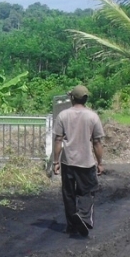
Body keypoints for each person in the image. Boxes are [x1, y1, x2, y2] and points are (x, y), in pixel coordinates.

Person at [53, 85, 105, 237]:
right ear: (86, 99)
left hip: (67, 161)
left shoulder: (63, 115)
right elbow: (97, 142)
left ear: (71, 98)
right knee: (87, 192)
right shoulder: (93, 117)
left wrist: (56, 162)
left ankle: (71, 225)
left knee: (68, 194)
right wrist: (100, 163)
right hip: (86, 162)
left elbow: (58, 140)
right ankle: (83, 217)